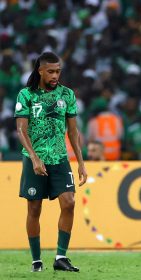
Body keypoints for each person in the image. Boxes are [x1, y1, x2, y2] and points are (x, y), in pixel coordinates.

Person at [14, 52, 87, 272]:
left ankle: (61, 257)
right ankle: (37, 261)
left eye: (58, 71)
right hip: (34, 160)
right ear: (40, 71)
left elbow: (73, 132)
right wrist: (35, 158)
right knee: (34, 209)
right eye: (51, 71)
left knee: (69, 203)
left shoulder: (67, 94)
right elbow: (21, 129)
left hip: (59, 158)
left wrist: (81, 162)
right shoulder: (26, 95)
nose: (56, 75)